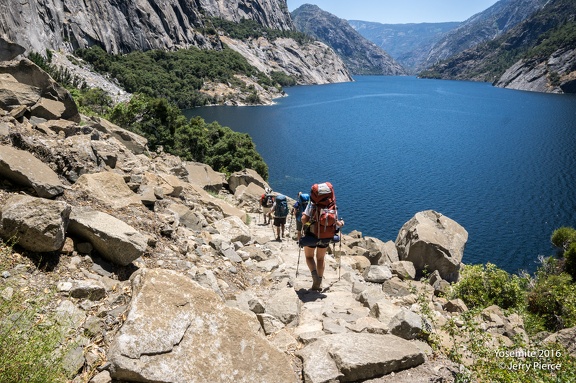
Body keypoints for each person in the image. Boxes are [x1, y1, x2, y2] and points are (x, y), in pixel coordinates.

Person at [301, 183, 344, 291]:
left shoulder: (313, 204)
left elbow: (303, 219)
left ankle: (315, 276)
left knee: (309, 257)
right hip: (326, 236)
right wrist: (341, 223)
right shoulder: (332, 205)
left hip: (312, 235)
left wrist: (304, 223)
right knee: (320, 259)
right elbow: (336, 222)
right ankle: (319, 282)